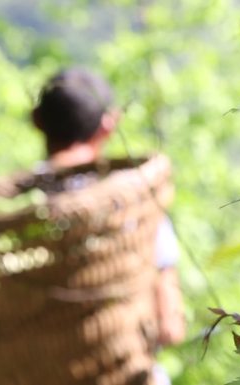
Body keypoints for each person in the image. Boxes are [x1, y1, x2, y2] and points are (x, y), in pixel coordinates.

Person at [32, 67, 186, 383]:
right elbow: (171, 327)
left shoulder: (17, 207)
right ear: (109, 124)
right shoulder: (134, 201)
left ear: (37, 122)